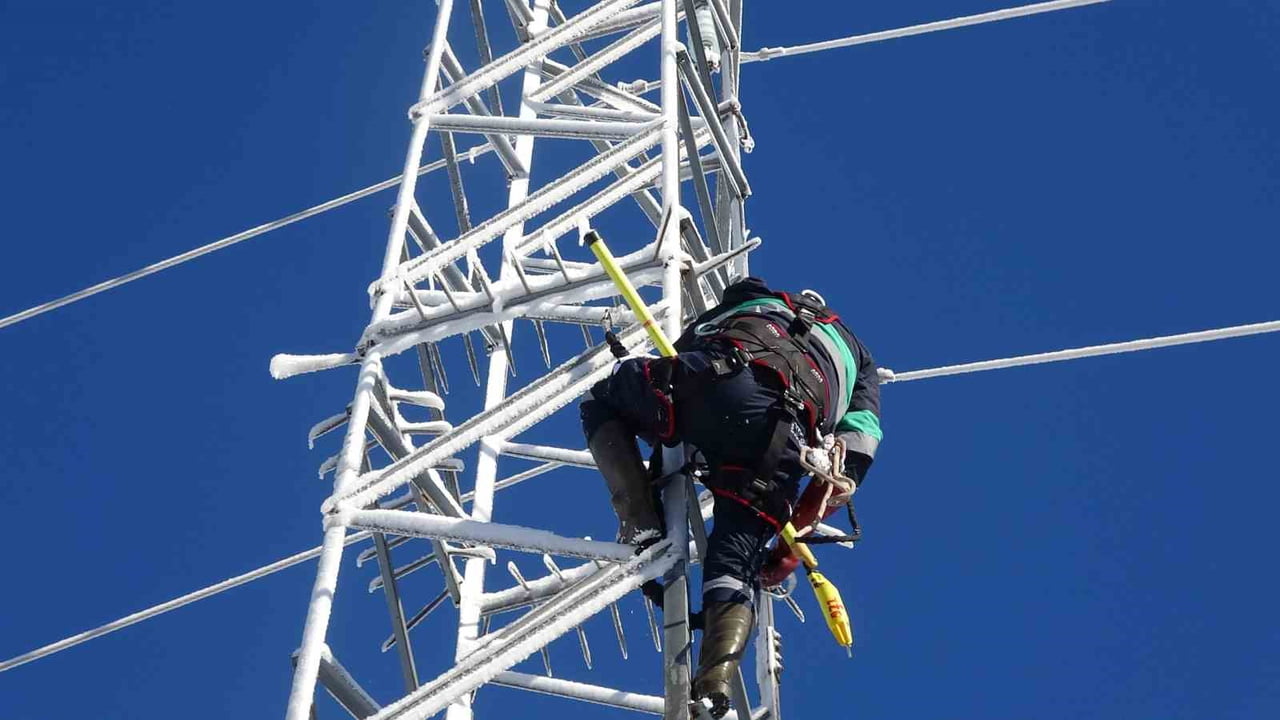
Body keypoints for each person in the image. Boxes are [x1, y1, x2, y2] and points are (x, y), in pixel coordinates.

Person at [580, 277, 883, 718]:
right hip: (782, 440)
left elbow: (684, 348)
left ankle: (641, 521)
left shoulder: (754, 300)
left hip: (719, 380)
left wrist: (665, 431)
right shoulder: (860, 360)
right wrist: (788, 544)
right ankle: (714, 684)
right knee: (736, 564)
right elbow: (852, 458)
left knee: (602, 399)